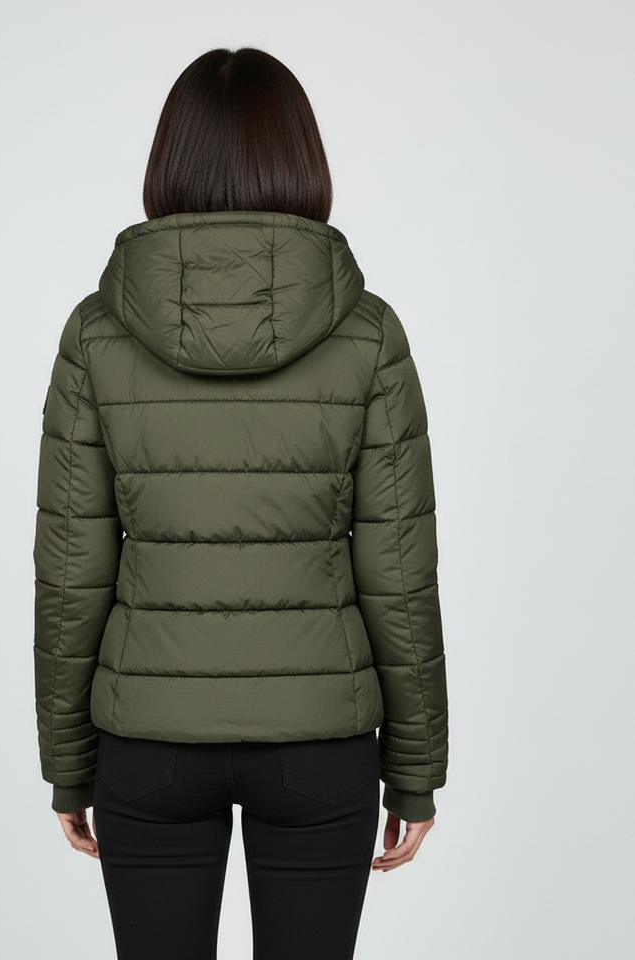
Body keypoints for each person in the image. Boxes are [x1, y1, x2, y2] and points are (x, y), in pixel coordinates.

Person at [33, 46, 449, 960]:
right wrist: (416, 771)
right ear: (303, 161)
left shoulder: (96, 334)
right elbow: (399, 573)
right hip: (320, 744)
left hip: (149, 741)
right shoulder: (369, 334)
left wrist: (67, 762)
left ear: (168, 161)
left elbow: (71, 571)